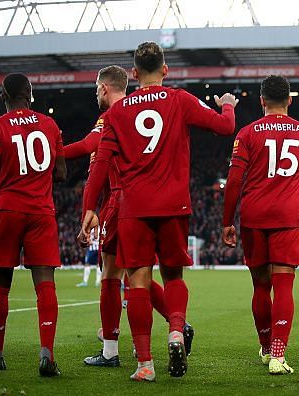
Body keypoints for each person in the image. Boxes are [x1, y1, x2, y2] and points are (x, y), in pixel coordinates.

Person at [80, 41, 238, 381]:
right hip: (174, 203)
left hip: (134, 208)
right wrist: (227, 106)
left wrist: (89, 208)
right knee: (173, 277)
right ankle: (177, 331)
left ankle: (145, 365)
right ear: (165, 70)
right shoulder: (179, 99)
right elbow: (225, 128)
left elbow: (100, 164)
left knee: (136, 281)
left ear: (134, 74)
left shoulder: (115, 114)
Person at [64, 65, 194, 368]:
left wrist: (51, 150)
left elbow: (88, 147)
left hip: (122, 202)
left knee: (114, 276)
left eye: (97, 88)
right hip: (153, 200)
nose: (96, 93)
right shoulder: (145, 108)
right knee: (141, 277)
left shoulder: (114, 115)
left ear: (105, 88)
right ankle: (178, 324)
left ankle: (112, 350)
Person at [222, 75, 299, 375]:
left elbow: (233, 182)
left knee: (260, 285)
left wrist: (227, 221)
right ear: (290, 100)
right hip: (286, 216)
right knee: (284, 285)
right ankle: (279, 357)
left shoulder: (247, 133)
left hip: (253, 216)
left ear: (261, 101)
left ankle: (266, 346)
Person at [0, 73, 66, 377]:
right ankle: (48, 356)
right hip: (41, 211)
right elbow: (62, 172)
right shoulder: (50, 125)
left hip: (7, 209)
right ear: (30, 94)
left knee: (0, 284)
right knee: (45, 283)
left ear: (3, 97)